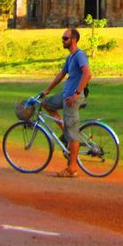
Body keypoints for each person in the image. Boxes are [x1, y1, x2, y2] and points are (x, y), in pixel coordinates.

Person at [40, 28, 92, 178]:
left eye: (65, 38)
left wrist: (76, 94)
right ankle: (64, 129)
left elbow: (87, 73)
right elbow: (61, 74)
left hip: (71, 99)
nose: (63, 41)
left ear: (73, 40)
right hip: (64, 96)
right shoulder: (70, 58)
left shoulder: (80, 55)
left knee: (72, 133)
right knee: (46, 104)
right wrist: (47, 90)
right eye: (62, 38)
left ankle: (72, 168)